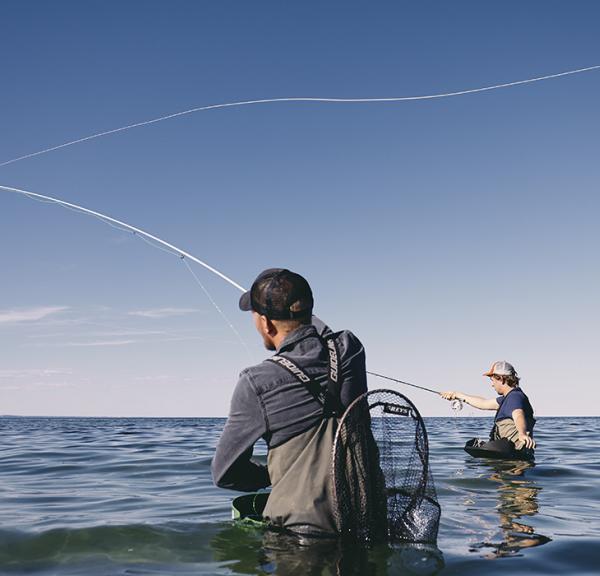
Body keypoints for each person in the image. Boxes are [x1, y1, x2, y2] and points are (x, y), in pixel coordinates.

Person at [211, 268, 368, 536]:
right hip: (363, 520)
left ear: (265, 323)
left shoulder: (256, 381)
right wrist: (302, 316)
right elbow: (328, 334)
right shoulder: (350, 350)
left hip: (297, 540)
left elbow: (225, 473)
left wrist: (272, 474)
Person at [441, 361, 536, 451]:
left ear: (501, 379)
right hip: (509, 456)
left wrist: (522, 433)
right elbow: (483, 403)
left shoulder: (514, 397)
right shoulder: (506, 399)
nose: (492, 385)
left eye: (493, 380)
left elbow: (518, 414)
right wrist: (456, 394)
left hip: (515, 460)